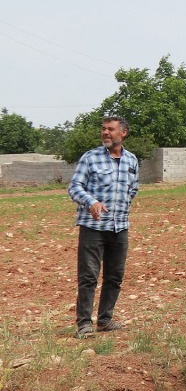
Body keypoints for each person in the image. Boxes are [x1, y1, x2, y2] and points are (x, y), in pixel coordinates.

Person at [66, 116, 140, 338]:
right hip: (93, 227)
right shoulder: (90, 158)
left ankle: (105, 320)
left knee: (114, 277)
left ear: (123, 133)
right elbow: (74, 187)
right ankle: (84, 324)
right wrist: (91, 202)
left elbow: (133, 189)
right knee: (88, 277)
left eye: (111, 129)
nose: (105, 132)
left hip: (120, 227)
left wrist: (121, 208)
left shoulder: (131, 160)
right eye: (103, 129)